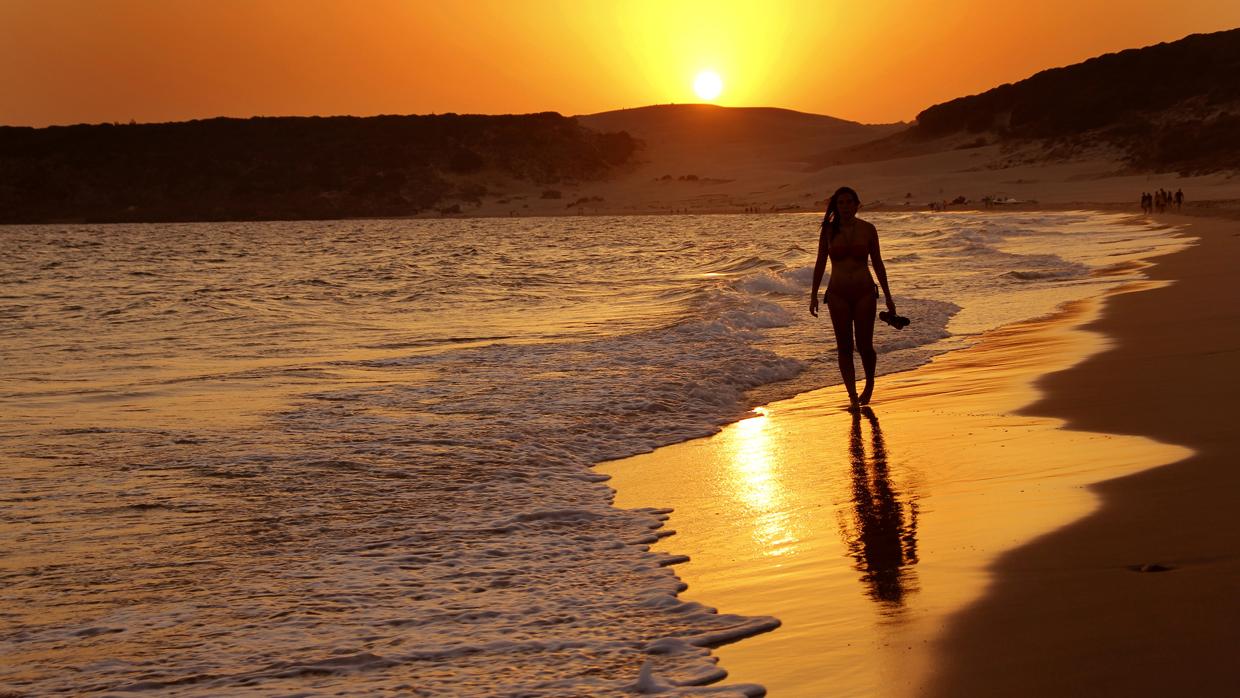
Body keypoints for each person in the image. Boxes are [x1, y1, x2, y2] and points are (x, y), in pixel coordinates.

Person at [810, 186, 896, 407]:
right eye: (841, 203)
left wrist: (888, 295)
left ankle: (868, 385)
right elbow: (820, 262)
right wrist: (813, 295)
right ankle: (851, 396)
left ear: (857, 205)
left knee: (865, 345)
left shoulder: (868, 229)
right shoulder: (828, 231)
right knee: (844, 347)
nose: (845, 207)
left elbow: (877, 262)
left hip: (864, 292)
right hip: (837, 294)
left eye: (849, 202)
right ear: (835, 206)